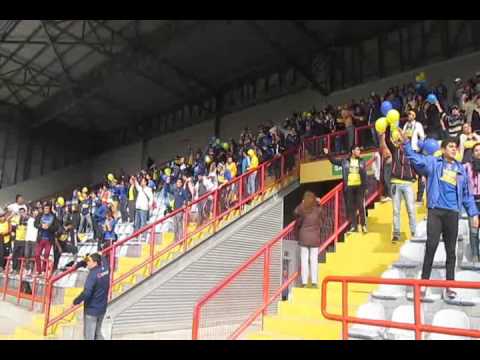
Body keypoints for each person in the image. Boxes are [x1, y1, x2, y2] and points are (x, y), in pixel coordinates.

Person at [403, 136, 479, 299]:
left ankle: (449, 286)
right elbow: (415, 159)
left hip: (452, 213)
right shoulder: (433, 163)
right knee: (431, 246)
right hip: (436, 211)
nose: (454, 149)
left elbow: (467, 195)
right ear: (443, 149)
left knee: (451, 251)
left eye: (455, 147)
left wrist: (473, 213)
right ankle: (424, 284)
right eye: (450, 146)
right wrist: (406, 144)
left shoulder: (461, 170)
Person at [381, 130, 417, 243]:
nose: (401, 140)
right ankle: (396, 234)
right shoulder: (395, 150)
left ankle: (414, 232)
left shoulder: (412, 153)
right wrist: (387, 127)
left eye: (405, 139)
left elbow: (418, 166)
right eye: (400, 139)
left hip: (407, 184)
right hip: (395, 183)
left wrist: (419, 177)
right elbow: (387, 140)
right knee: (396, 210)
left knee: (411, 209)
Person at [324, 145, 368, 233]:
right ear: (352, 151)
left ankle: (363, 225)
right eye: (357, 150)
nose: (359, 151)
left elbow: (364, 175)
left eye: (359, 150)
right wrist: (328, 154)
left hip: (359, 186)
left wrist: (365, 187)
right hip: (349, 187)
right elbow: (334, 161)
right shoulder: (345, 161)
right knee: (350, 207)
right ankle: (353, 226)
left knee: (360, 206)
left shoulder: (362, 161)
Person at [73, 253, 110, 340]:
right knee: (98, 333)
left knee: (89, 336)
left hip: (91, 310)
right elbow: (102, 257)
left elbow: (86, 293)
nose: (87, 263)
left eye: (89, 262)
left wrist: (76, 301)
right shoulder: (106, 269)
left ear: (95, 263)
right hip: (102, 308)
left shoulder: (92, 275)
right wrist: (80, 264)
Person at [294, 191, 323, 288]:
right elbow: (322, 215)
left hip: (304, 238)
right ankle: (314, 282)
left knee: (304, 260)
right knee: (314, 260)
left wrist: (302, 203)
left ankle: (304, 282)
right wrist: (319, 203)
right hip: (315, 238)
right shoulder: (317, 209)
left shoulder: (302, 208)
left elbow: (295, 212)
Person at [464, 143, 480, 265]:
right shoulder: (467, 167)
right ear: (472, 153)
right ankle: (475, 255)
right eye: (476, 150)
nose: (479, 152)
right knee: (474, 230)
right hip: (472, 201)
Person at [34, 203, 59, 275]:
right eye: (45, 208)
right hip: (40, 238)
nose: (46, 210)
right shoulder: (40, 215)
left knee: (46, 255)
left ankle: (44, 270)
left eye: (47, 208)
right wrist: (41, 226)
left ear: (50, 209)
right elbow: (35, 224)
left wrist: (49, 227)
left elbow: (56, 227)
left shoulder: (53, 217)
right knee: (37, 254)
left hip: (49, 239)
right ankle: (38, 270)